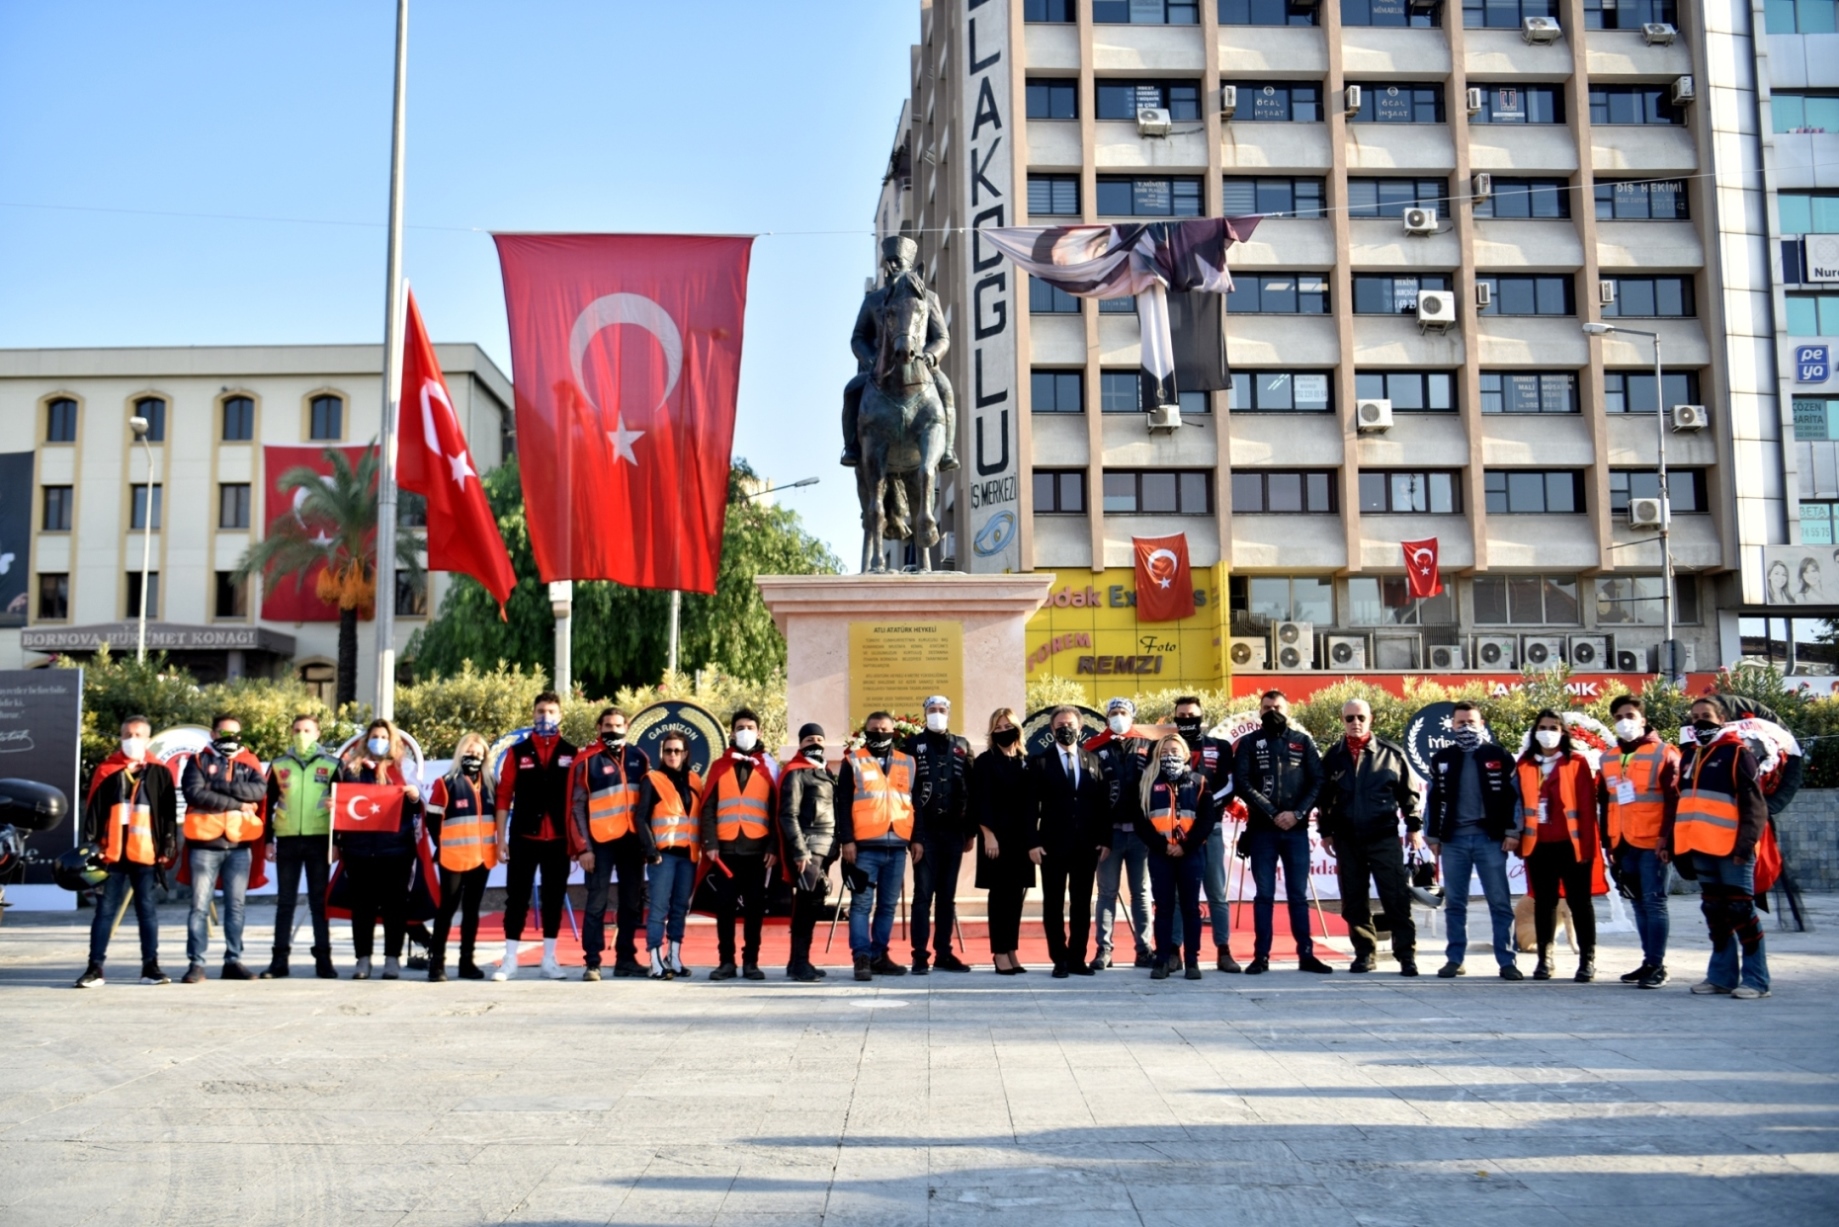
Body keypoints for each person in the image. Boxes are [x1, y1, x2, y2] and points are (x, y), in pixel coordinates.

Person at [1317, 699, 1423, 976]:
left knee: (1395, 897)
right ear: (1342, 720)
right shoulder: (1333, 757)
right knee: (1353, 899)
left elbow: (1409, 796)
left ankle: (1406, 955)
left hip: (1383, 837)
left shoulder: (1392, 754)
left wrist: (1414, 828)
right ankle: (1365, 953)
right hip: (1347, 839)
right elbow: (1324, 799)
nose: (1355, 723)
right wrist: (1326, 831)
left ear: (1370, 718)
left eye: (1360, 717)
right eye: (1350, 718)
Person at [1676, 696, 1772, 998]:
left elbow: (1754, 807)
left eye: (1706, 715)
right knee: (1715, 913)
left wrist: (1745, 845)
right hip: (1700, 847)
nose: (1699, 721)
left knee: (1741, 911)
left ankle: (1757, 981)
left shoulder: (1738, 753)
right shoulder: (1689, 755)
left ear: (1722, 719)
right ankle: (1721, 977)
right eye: (1695, 716)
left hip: (1732, 850)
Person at [74, 716, 179, 988]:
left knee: (147, 910)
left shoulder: (159, 771)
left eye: (138, 735)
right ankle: (94, 967)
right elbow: (93, 812)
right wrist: (90, 847)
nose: (133, 739)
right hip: (110, 854)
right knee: (104, 911)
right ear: (121, 737)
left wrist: (168, 846)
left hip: (146, 854)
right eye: (128, 734)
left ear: (148, 739)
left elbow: (168, 813)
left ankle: (150, 967)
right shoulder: (107, 770)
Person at [840, 234, 958, 470]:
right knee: (851, 391)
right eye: (889, 261)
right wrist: (870, 359)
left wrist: (931, 355)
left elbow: (942, 337)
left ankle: (947, 450)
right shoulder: (873, 301)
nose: (892, 265)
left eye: (897, 261)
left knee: (945, 389)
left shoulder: (929, 298)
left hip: (920, 367)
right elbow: (858, 337)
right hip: (881, 369)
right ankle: (851, 447)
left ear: (909, 265)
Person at [1424, 701, 1524, 979]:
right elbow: (1432, 798)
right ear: (1452, 726)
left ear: (1482, 725)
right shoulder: (1442, 757)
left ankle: (1507, 961)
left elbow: (1515, 797)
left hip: (1490, 840)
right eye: (1460, 723)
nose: (1466, 727)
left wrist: (1513, 831)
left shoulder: (1499, 755)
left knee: (1499, 902)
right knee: (1455, 903)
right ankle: (1455, 959)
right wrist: (1432, 835)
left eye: (1471, 722)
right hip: (1453, 841)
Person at [1234, 690, 1332, 974]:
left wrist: (1297, 813)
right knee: (1264, 895)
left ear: (1287, 710)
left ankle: (1307, 955)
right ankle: (1260, 956)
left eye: (1276, 707)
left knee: (1298, 895)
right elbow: (1242, 782)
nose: (1271, 711)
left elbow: (1318, 781)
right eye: (1266, 707)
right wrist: (1273, 813)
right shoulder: (1250, 743)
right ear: (1259, 710)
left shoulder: (1303, 741)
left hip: (1296, 830)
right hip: (1262, 831)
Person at [1598, 694, 1681, 989]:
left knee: (1654, 903)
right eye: (1619, 717)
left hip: (1653, 841)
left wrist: (1667, 839)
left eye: (1630, 716)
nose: (1624, 722)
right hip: (1622, 843)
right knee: (1638, 904)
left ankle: (1657, 965)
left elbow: (1674, 801)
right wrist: (1608, 843)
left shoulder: (1665, 753)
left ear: (1643, 720)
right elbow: (1606, 801)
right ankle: (1648, 961)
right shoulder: (1607, 758)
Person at [493, 691, 577, 981]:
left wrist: (578, 841)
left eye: (551, 711)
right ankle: (510, 959)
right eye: (541, 711)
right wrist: (500, 839)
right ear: (533, 714)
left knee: (554, 899)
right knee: (516, 899)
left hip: (559, 840)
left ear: (560, 715)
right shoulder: (518, 752)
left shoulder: (571, 752)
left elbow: (578, 799)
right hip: (523, 838)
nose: (546, 717)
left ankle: (549, 959)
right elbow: (503, 796)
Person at [179, 712, 268, 984]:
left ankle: (233, 960)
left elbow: (259, 792)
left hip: (240, 844)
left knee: (236, 907)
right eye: (225, 734)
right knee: (199, 906)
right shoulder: (197, 761)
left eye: (236, 734)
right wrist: (238, 803)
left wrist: (217, 785)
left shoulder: (250, 762)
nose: (231, 739)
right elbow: (194, 793)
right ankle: (196, 963)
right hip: (205, 844)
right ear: (213, 734)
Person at [1515, 710, 1602, 981]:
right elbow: (1517, 805)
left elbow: (1587, 808)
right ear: (1534, 730)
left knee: (1580, 902)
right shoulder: (1525, 764)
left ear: (1563, 732)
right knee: (1545, 903)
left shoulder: (1576, 762)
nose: (1548, 731)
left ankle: (1587, 960)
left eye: (1554, 727)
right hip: (1538, 845)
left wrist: (1587, 848)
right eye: (1543, 726)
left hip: (1571, 844)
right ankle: (1545, 959)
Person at [838, 711, 924, 981]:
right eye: (874, 728)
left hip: (898, 846)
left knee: (887, 906)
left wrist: (917, 838)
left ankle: (879, 955)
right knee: (861, 904)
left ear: (893, 732)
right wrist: (847, 840)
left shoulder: (907, 762)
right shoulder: (852, 761)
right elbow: (842, 804)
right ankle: (861, 957)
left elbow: (916, 803)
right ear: (866, 730)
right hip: (864, 847)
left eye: (885, 729)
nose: (880, 733)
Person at [699, 707, 783, 981]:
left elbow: (776, 810)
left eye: (750, 727)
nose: (744, 732)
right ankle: (726, 961)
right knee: (724, 908)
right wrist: (710, 842)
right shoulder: (719, 766)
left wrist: (773, 846)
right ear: (732, 732)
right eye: (739, 728)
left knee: (754, 909)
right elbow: (708, 807)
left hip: (758, 851)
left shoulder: (769, 766)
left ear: (759, 732)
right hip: (725, 851)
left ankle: (751, 962)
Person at [570, 707, 651, 981]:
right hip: (600, 842)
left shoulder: (640, 757)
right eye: (608, 725)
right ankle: (592, 962)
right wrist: (584, 848)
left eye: (618, 725)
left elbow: (648, 803)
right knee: (596, 904)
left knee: (631, 903)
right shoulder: (587, 760)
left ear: (627, 727)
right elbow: (576, 807)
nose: (613, 730)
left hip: (632, 842)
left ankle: (625, 959)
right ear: (599, 728)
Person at [337, 719, 421, 981]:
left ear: (393, 740)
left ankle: (392, 960)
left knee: (395, 906)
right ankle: (363, 959)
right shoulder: (350, 768)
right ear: (366, 739)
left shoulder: (404, 768)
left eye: (384, 736)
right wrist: (332, 806)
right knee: (362, 907)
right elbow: (336, 801)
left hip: (396, 849)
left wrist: (414, 796)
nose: (379, 740)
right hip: (359, 850)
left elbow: (420, 808)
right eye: (375, 735)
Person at [1032, 705, 1111, 978]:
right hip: (1052, 845)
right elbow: (1030, 806)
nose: (1066, 728)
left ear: (1080, 728)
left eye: (1070, 724)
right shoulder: (1040, 762)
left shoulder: (1093, 761)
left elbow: (1102, 804)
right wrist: (1033, 842)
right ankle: (1059, 959)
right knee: (1053, 904)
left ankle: (1078, 958)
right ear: (1052, 730)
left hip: (1086, 845)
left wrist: (1105, 840)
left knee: (1081, 903)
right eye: (1060, 724)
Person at [262, 713, 342, 980]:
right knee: (285, 902)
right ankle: (279, 961)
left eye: (307, 730)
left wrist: (337, 842)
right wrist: (266, 842)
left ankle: (324, 960)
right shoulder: (278, 764)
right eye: (297, 729)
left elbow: (344, 806)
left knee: (320, 903)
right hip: (286, 839)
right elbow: (266, 805)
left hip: (319, 840)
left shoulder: (332, 764)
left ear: (318, 734)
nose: (302, 735)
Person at [1136, 733, 1218, 980]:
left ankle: (1192, 961)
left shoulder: (1199, 782)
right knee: (1163, 908)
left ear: (1184, 754)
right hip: (1161, 854)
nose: (1169, 755)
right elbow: (1141, 822)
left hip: (1190, 854)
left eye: (1174, 750)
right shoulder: (1146, 782)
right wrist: (1163, 846)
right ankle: (1161, 960)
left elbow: (1206, 820)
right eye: (1164, 751)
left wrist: (1185, 845)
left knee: (1191, 908)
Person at [1172, 696, 1242, 973]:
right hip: (1177, 831)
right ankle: (1174, 951)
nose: (1187, 720)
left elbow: (1229, 784)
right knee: (1178, 895)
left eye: (1192, 715)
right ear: (1175, 718)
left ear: (1201, 717)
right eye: (1182, 716)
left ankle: (1223, 951)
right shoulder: (1167, 747)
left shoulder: (1220, 747)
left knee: (1216, 892)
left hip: (1211, 828)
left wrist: (1205, 807)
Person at [906, 695, 974, 974]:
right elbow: (907, 793)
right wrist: (915, 836)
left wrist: (969, 832)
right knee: (923, 895)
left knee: (947, 896)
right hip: (925, 834)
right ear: (924, 714)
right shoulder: (912, 745)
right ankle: (920, 955)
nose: (937, 714)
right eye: (932, 710)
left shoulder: (962, 745)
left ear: (949, 713)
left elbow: (969, 789)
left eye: (942, 710)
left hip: (953, 834)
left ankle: (943, 953)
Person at [1088, 696, 1156, 970]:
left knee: (1140, 893)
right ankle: (1104, 950)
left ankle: (1144, 949)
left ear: (1132, 716)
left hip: (1141, 834)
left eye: (1123, 712)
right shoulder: (1093, 747)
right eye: (1113, 712)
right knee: (1106, 893)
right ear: (1106, 718)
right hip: (1109, 836)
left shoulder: (1148, 746)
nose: (1118, 717)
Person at [426, 732, 497, 982]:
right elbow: (432, 820)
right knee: (446, 909)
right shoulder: (445, 783)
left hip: (482, 858)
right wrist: (443, 846)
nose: (474, 757)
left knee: (471, 911)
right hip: (453, 858)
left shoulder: (491, 785)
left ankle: (467, 962)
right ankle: (436, 964)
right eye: (469, 753)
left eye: (479, 754)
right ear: (460, 754)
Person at [973, 707, 1037, 975]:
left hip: (1021, 840)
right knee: (999, 898)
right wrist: (988, 835)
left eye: (1006, 727)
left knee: (1016, 899)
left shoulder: (1026, 761)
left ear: (1016, 729)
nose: (1003, 732)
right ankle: (999, 953)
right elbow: (980, 800)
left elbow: (1032, 803)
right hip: (995, 839)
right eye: (997, 728)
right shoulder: (985, 761)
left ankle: (1011, 949)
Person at [636, 731, 703, 979]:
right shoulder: (652, 779)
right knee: (658, 909)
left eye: (677, 751)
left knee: (679, 909)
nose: (672, 755)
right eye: (668, 751)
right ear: (661, 753)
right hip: (663, 857)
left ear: (685, 754)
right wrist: (651, 851)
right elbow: (640, 817)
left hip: (689, 855)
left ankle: (673, 957)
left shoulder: (695, 780)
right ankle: (655, 960)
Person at [779, 723, 839, 982]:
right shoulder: (796, 773)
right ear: (800, 744)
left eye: (819, 739)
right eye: (809, 740)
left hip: (825, 849)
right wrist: (800, 852)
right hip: (808, 848)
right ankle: (799, 963)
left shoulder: (825, 773)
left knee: (813, 905)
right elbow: (788, 814)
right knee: (806, 906)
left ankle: (798, 962)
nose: (815, 743)